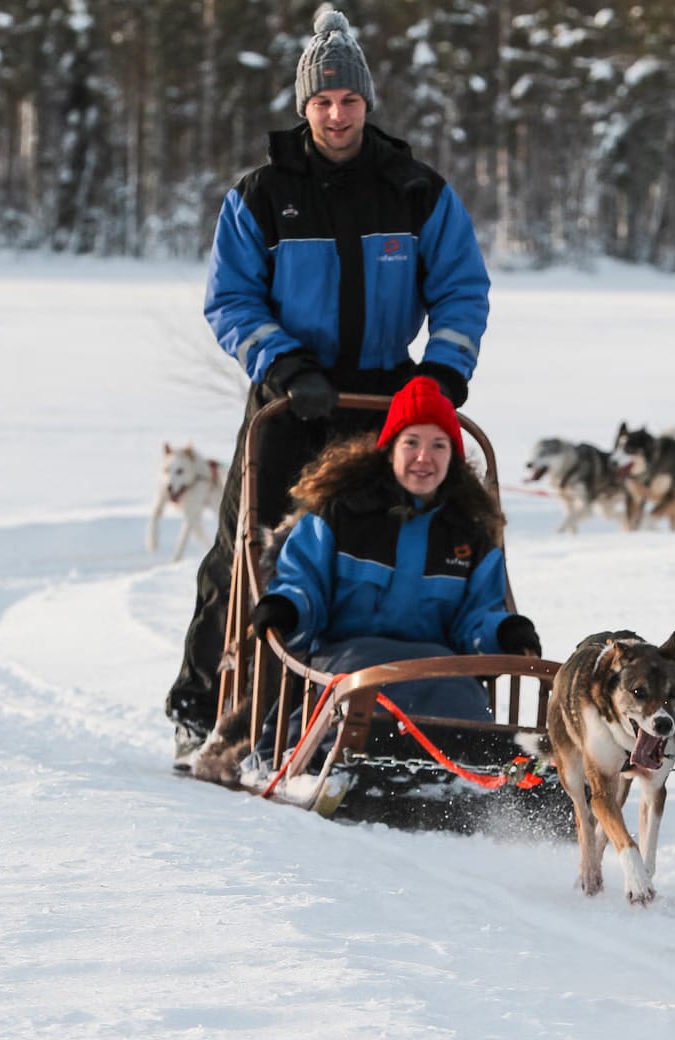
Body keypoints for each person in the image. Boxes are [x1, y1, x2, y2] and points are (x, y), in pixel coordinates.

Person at [169, 6, 490, 760]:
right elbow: (231, 299)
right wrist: (282, 362)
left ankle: (393, 703)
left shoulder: (416, 190)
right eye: (323, 102)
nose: (337, 114)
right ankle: (204, 704)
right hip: (291, 398)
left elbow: (462, 291)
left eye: (349, 101)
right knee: (250, 549)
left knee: (400, 545)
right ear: (304, 106)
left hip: (388, 397)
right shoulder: (260, 194)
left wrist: (443, 374)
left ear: (367, 103)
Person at [244, 376, 541, 771]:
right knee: (355, 695)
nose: (425, 457)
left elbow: (477, 614)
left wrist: (502, 631)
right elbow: (304, 582)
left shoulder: (468, 529)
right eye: (412, 443)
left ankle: (474, 778)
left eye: (439, 445)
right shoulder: (340, 513)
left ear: (453, 456)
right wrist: (288, 607)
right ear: (390, 449)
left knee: (464, 699)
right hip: (347, 655)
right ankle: (325, 764)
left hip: (438, 664)